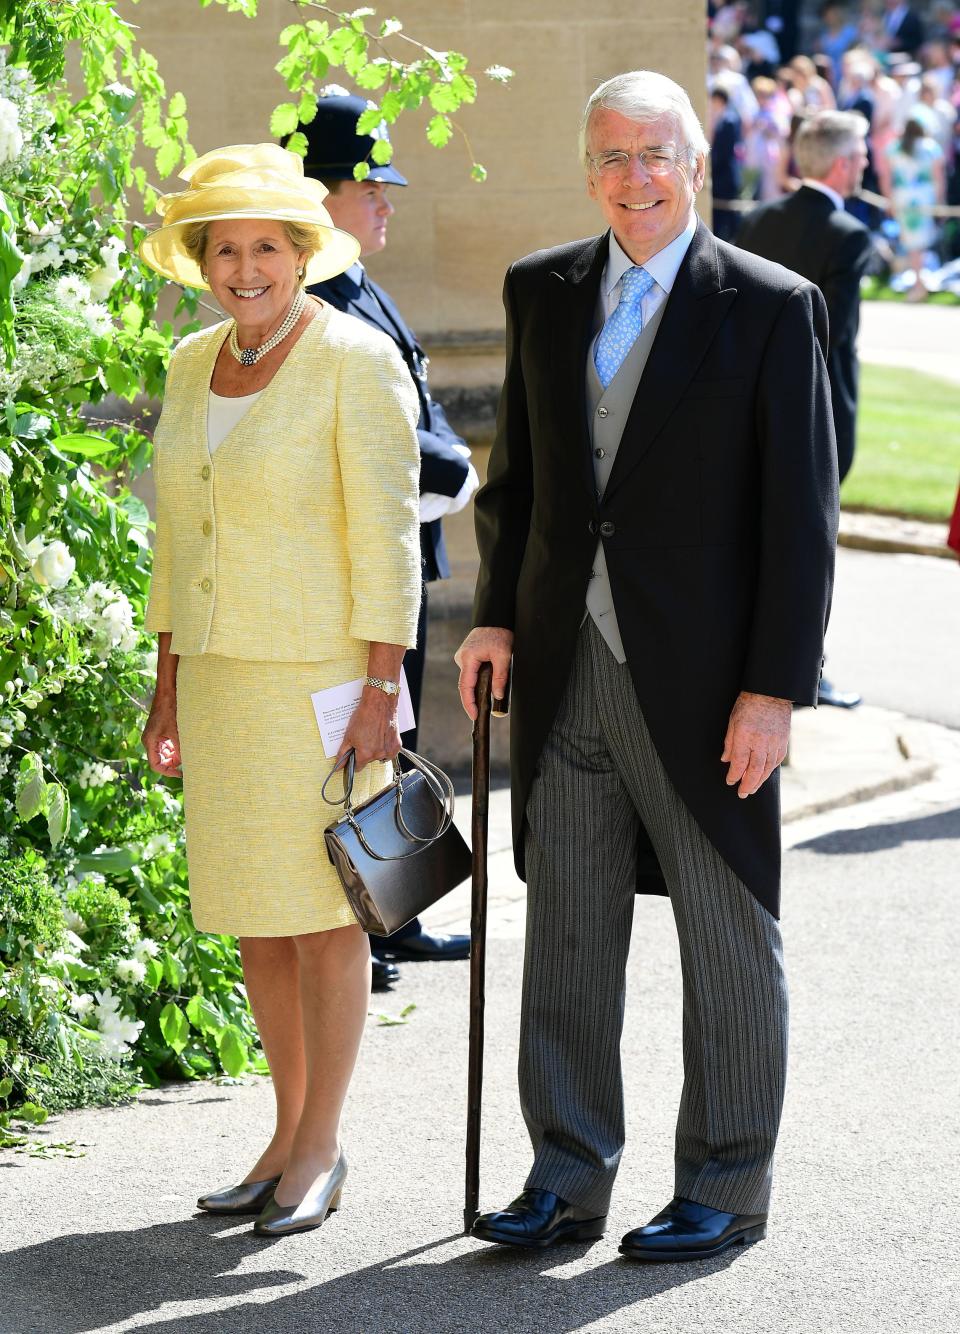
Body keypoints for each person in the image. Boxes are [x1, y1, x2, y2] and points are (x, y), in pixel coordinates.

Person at [456, 69, 838, 1261]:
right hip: (568, 666)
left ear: (697, 164)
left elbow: (801, 517)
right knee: (567, 933)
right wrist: (495, 615)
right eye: (612, 157)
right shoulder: (541, 290)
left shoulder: (771, 304)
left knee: (727, 940)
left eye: (656, 154)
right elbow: (516, 484)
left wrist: (774, 688)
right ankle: (565, 1175)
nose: (635, 179)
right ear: (589, 169)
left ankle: (726, 1180)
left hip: (711, 688)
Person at [139, 143, 422, 1236]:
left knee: (324, 917)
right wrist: (167, 680)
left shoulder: (354, 358)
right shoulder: (191, 359)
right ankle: (282, 1128)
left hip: (323, 679)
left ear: (303, 253)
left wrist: (377, 691)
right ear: (202, 262)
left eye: (266, 246)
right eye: (226, 249)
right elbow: (177, 533)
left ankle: (321, 1145)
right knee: (258, 920)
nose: (245, 267)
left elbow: (389, 541)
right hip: (217, 679)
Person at [290, 88, 476, 976]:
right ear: (323, 193)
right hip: (357, 567)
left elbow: (416, 400)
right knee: (356, 744)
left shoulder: (359, 282)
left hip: (406, 552)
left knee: (394, 738)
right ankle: (352, 930)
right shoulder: (313, 297)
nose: (387, 201)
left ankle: (391, 915)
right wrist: (447, 468)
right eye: (372, 188)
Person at [736, 111, 872, 709]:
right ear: (842, 163)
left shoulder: (759, 219)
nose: (867, 163)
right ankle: (804, 671)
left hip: (748, 407)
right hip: (819, 414)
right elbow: (833, 334)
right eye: (862, 154)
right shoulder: (848, 232)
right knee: (809, 546)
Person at [877, 115, 947, 299]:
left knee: (913, 244)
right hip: (924, 198)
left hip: (903, 199)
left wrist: (889, 199)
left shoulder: (894, 148)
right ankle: (919, 283)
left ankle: (918, 283)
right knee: (918, 244)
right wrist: (939, 201)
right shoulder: (930, 147)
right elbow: (938, 178)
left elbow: (886, 178)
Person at [709, 85, 744, 241]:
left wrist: (712, 167)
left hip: (726, 176)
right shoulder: (718, 119)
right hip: (719, 176)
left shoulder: (729, 120)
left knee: (729, 218)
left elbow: (724, 152)